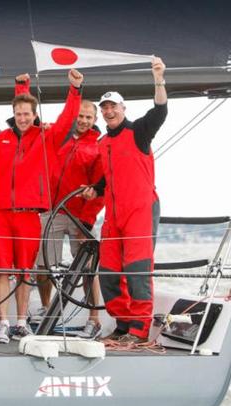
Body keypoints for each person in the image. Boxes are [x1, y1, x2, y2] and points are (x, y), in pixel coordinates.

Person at [0, 69, 83, 343]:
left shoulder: (47, 137)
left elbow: (68, 119)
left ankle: (21, 322)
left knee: (24, 271)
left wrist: (75, 90)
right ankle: (3, 324)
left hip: (29, 215)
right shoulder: (1, 138)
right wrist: (21, 86)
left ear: (35, 115)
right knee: (2, 270)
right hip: (0, 214)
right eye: (18, 113)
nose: (22, 118)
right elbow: (22, 101)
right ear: (13, 113)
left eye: (27, 114)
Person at [82, 56, 168, 344]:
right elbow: (110, 175)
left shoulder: (139, 131)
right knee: (107, 272)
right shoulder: (103, 143)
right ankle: (122, 324)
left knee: (137, 270)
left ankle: (140, 329)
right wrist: (96, 188)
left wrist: (158, 78)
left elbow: (160, 110)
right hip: (114, 215)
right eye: (104, 108)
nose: (108, 111)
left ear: (123, 109)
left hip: (141, 210)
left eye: (113, 107)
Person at [33, 98, 105, 339]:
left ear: (95, 120)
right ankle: (46, 308)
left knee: (87, 269)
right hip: (51, 211)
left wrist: (86, 220)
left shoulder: (98, 146)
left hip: (80, 216)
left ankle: (93, 319)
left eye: (88, 117)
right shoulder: (56, 134)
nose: (83, 121)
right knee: (42, 266)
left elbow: (99, 189)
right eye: (80, 116)